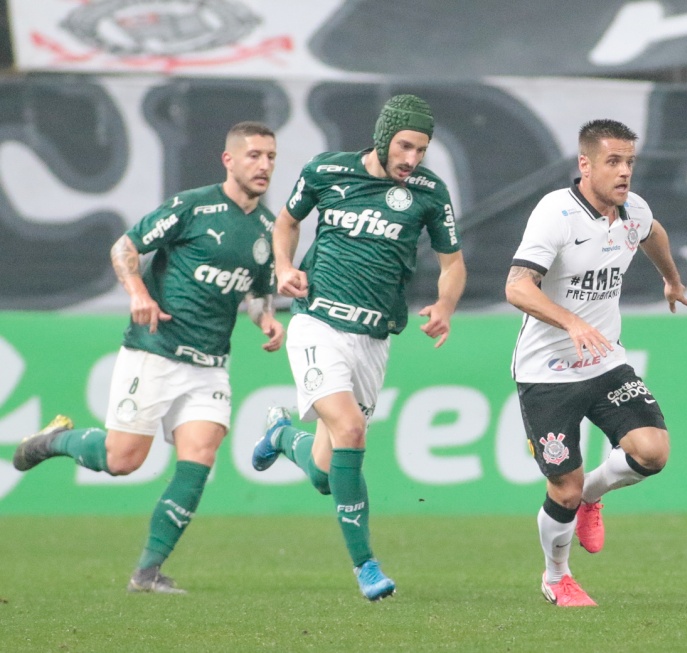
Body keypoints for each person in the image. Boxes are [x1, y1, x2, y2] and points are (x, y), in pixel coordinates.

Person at [13, 121, 283, 594]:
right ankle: (55, 440)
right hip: (155, 350)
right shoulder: (193, 206)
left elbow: (257, 292)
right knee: (122, 461)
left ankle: (147, 572)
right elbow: (125, 247)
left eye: (270, 157)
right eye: (254, 155)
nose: (263, 166)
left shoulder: (268, 228)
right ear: (230, 159)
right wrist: (137, 292)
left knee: (200, 454)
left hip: (210, 363)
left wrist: (266, 320)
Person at [251, 94, 466, 601]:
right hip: (316, 324)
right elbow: (285, 222)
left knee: (327, 473)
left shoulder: (430, 193)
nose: (412, 159)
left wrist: (445, 306)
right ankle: (366, 566)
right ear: (384, 135)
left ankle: (282, 436)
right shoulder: (327, 171)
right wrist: (283, 268)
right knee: (350, 429)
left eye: (422, 149)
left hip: (372, 340)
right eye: (406, 145)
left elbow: (452, 264)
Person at [505, 119, 687, 607]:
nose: (624, 171)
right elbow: (517, 287)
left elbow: (653, 233)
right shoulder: (557, 214)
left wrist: (670, 279)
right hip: (547, 371)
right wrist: (570, 322)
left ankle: (593, 494)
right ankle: (556, 577)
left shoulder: (634, 211)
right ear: (585, 164)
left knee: (652, 452)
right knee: (562, 489)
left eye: (629, 161)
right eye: (613, 161)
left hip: (605, 362)